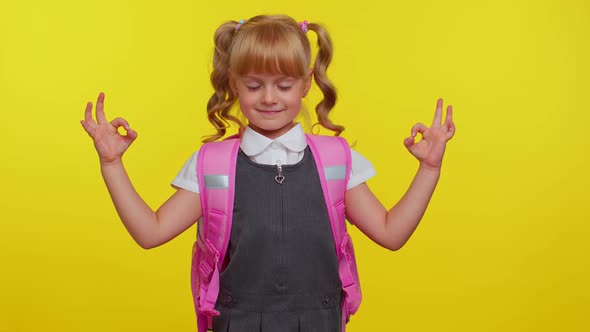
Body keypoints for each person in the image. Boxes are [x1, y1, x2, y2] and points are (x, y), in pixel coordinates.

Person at [80, 14, 454, 332]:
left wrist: (429, 169)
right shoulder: (212, 165)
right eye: (255, 85)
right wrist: (112, 164)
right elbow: (150, 232)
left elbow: (392, 233)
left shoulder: (336, 161)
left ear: (307, 83)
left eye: (284, 85)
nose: (269, 98)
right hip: (236, 321)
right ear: (233, 84)